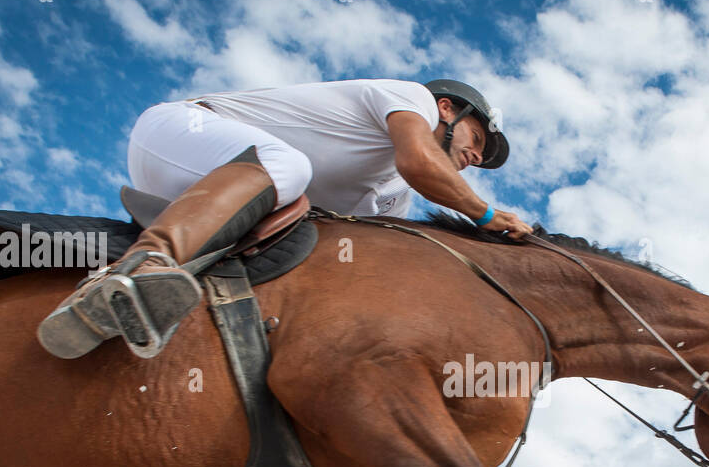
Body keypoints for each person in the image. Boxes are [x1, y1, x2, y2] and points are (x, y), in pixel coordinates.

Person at [37, 78, 533, 359]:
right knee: (291, 168)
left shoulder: (393, 194)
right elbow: (419, 163)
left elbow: (373, 258)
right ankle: (143, 266)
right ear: (446, 109)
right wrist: (485, 215)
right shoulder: (413, 101)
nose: (475, 156)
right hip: (177, 135)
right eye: (477, 140)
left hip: (218, 200)